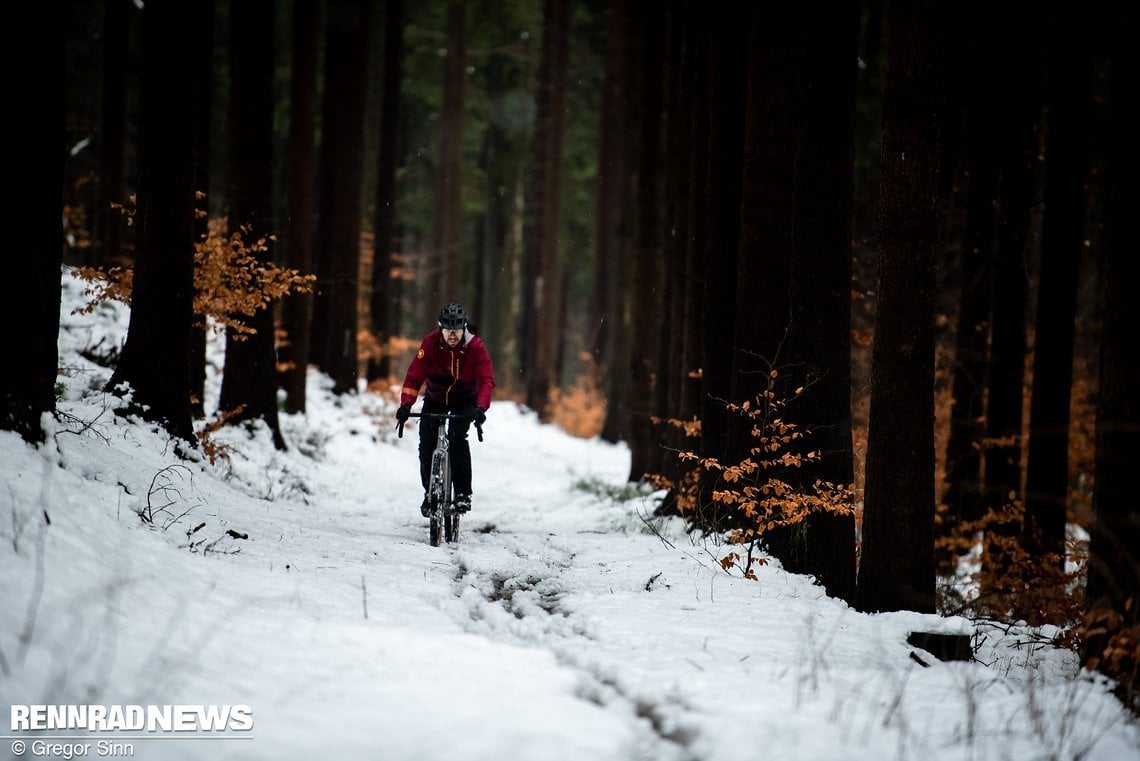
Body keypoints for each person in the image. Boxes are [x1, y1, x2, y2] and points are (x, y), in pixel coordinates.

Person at [396, 303, 495, 516]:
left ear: (463, 329)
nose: (452, 335)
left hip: (465, 399)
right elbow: (414, 376)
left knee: (457, 438)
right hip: (436, 397)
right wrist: (406, 404)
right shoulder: (430, 343)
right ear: (440, 328)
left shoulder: (476, 347)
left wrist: (480, 407)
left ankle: (462, 494)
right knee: (427, 443)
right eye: (447, 330)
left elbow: (486, 380)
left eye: (456, 331)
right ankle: (429, 492)